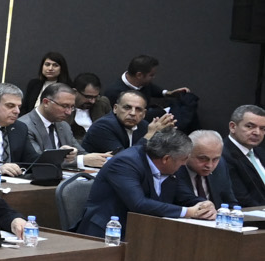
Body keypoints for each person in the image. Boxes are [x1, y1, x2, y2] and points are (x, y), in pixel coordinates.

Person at [75, 126, 213, 233]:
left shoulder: (170, 167)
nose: (184, 164)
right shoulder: (125, 163)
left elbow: (184, 196)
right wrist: (189, 212)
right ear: (166, 159)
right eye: (183, 159)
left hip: (145, 230)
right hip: (108, 231)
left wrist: (203, 204)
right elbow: (138, 204)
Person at [82, 89, 150, 159]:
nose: (133, 113)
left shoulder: (144, 126)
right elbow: (126, 159)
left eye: (138, 109)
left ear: (144, 114)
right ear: (115, 108)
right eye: (127, 108)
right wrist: (149, 135)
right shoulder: (103, 126)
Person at [219, 105, 265, 207]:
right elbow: (242, 199)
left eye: (262, 128)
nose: (257, 133)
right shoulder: (222, 154)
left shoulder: (261, 152)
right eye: (250, 126)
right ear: (233, 127)